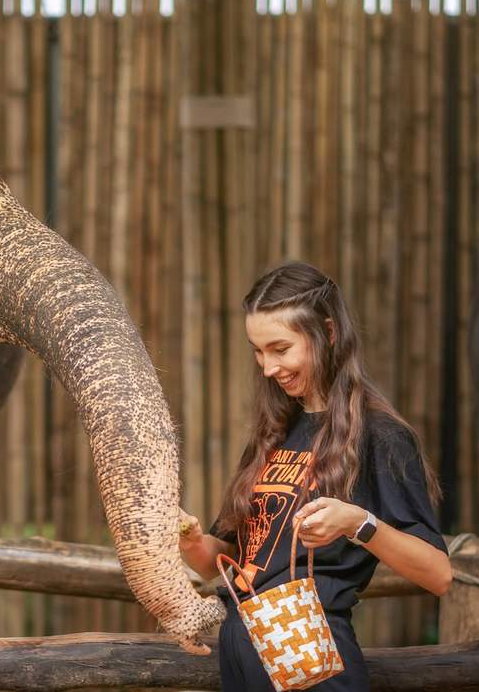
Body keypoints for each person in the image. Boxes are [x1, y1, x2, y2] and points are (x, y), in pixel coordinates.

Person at [178, 261, 452, 692]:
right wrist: (191, 541)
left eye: (280, 349)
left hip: (312, 660)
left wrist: (357, 523)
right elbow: (221, 559)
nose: (268, 367)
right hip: (242, 651)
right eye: (258, 351)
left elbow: (438, 574)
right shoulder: (274, 433)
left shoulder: (381, 436)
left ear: (327, 332)